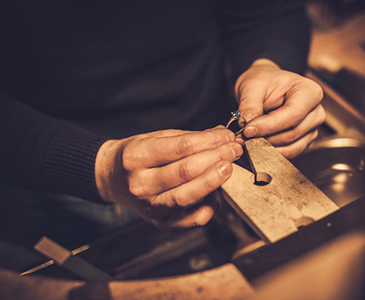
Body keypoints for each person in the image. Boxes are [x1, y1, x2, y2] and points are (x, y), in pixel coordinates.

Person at [0, 0, 325, 256]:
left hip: (224, 171)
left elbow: (268, 12)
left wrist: (268, 63)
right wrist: (100, 168)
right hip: (51, 183)